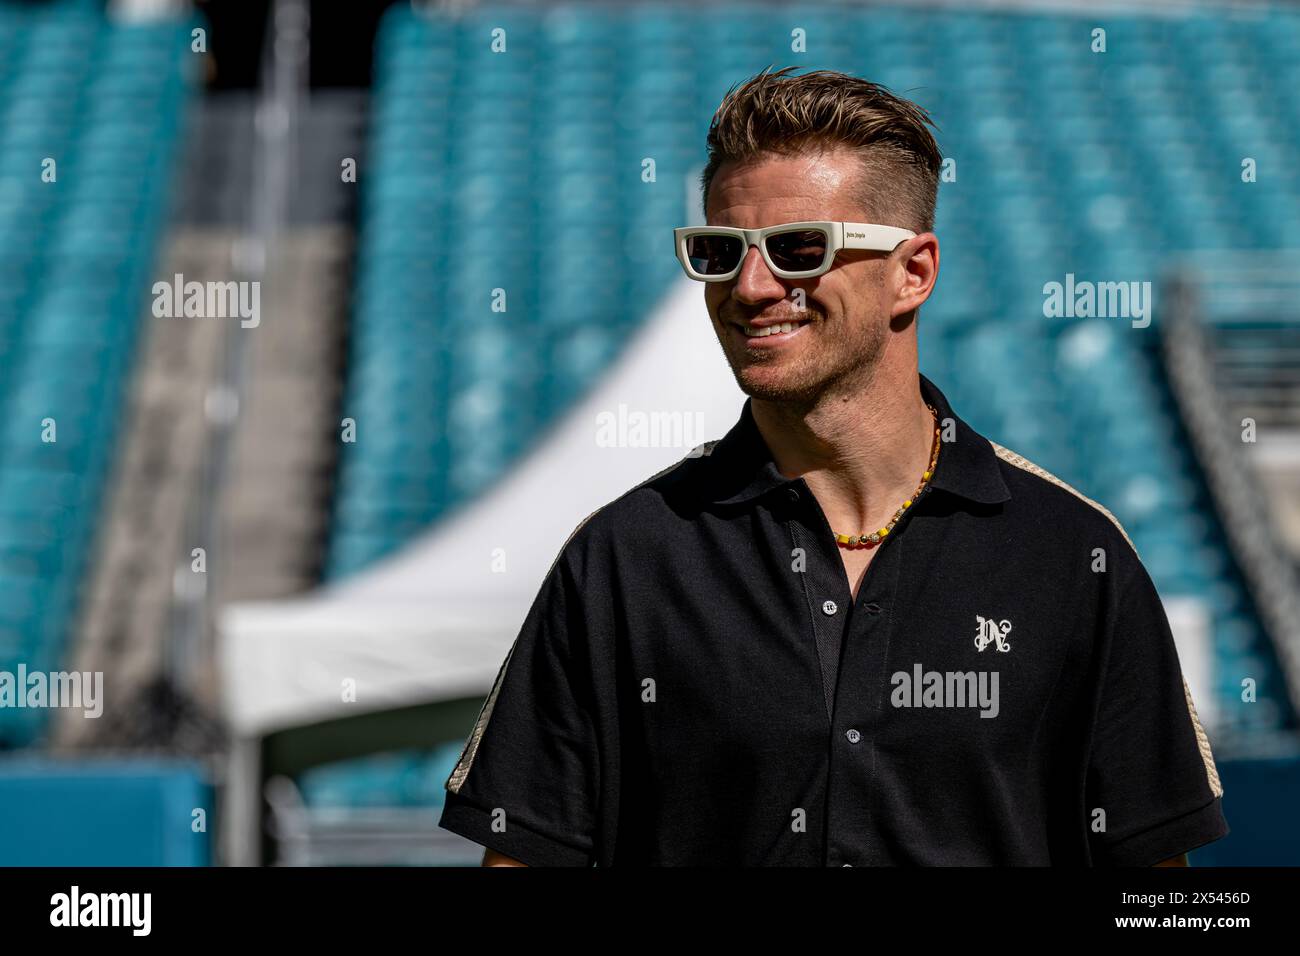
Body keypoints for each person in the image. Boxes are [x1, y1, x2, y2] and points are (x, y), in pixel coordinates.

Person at [437, 66, 1227, 866]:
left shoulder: (1072, 554)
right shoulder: (624, 557)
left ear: (912, 272)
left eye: (798, 249)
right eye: (719, 251)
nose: (750, 286)